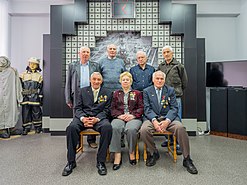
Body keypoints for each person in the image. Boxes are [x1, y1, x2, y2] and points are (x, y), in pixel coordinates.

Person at [140, 71, 198, 174]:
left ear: (164, 80)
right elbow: (147, 109)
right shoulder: (146, 91)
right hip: (152, 118)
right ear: (153, 80)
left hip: (168, 118)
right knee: (144, 130)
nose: (159, 80)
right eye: (157, 78)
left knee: (180, 128)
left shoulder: (170, 90)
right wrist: (154, 121)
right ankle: (154, 152)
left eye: (161, 79)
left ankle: (187, 158)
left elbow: (174, 108)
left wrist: (167, 120)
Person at [62, 72, 112, 176]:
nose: (96, 81)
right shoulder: (81, 91)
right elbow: (77, 108)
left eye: (98, 80)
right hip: (83, 117)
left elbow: (107, 110)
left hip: (98, 118)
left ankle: (100, 162)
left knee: (107, 128)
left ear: (101, 81)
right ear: (90, 80)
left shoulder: (107, 92)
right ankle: (71, 162)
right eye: (94, 79)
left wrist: (97, 119)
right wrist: (83, 118)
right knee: (71, 128)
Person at [65, 46, 100, 148]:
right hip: (76, 94)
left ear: (90, 54)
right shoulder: (72, 66)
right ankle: (77, 142)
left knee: (91, 114)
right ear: (79, 54)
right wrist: (68, 98)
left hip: (91, 94)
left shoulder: (95, 66)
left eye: (87, 52)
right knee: (77, 117)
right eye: (83, 52)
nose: (85, 54)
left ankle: (91, 140)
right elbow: (68, 82)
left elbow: (98, 79)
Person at [109, 72, 143, 170]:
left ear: (131, 81)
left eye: (127, 80)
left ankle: (131, 152)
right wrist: (119, 116)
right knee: (115, 127)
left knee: (131, 129)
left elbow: (141, 107)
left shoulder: (137, 93)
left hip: (134, 117)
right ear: (120, 81)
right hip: (119, 117)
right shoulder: (116, 93)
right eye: (123, 80)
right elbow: (112, 108)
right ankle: (117, 154)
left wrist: (132, 115)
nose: (125, 81)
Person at [158, 45, 188, 151]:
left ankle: (179, 143)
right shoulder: (160, 66)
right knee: (166, 118)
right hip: (164, 97)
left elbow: (184, 82)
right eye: (164, 52)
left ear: (172, 53)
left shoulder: (179, 66)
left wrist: (178, 91)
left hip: (176, 96)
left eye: (168, 52)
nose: (166, 54)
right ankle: (169, 139)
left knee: (177, 120)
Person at [99, 43, 126, 147]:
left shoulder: (120, 62)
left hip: (118, 93)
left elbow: (124, 75)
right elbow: (99, 77)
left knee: (119, 115)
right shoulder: (101, 62)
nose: (112, 50)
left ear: (116, 51)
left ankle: (121, 138)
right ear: (107, 50)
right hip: (105, 93)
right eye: (110, 49)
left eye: (114, 49)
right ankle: (108, 138)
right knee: (107, 115)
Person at [0, 56, 23, 138]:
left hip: (10, 95)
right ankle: (1, 129)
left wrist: (19, 97)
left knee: (11, 110)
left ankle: (11, 128)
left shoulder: (12, 71)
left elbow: (17, 84)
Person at [20, 57, 43, 135]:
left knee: (36, 112)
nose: (32, 65)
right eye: (31, 63)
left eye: (35, 64)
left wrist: (40, 97)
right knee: (25, 113)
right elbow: (19, 86)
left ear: (37, 65)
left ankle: (38, 127)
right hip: (25, 96)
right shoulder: (22, 75)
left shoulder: (39, 76)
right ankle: (26, 128)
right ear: (28, 64)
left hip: (35, 97)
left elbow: (41, 87)